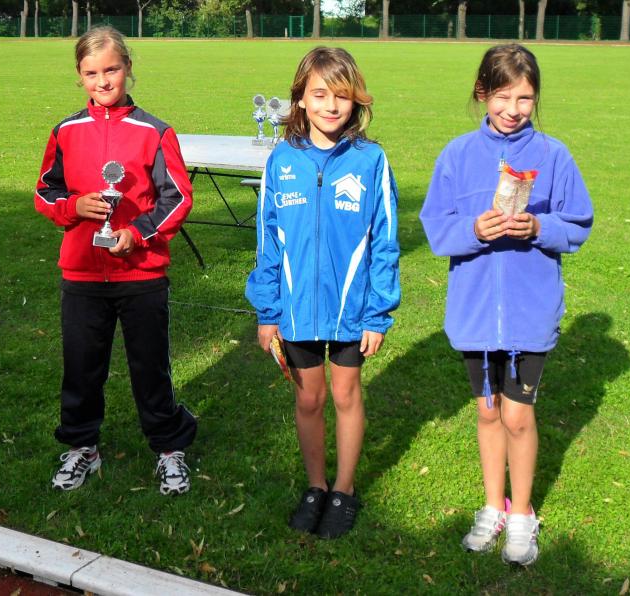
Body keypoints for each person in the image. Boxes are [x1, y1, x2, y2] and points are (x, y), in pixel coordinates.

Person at [419, 44, 593, 565]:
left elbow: (578, 223)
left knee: (517, 416)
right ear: (482, 94)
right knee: (488, 411)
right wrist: (474, 229)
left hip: (529, 315)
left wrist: (539, 226)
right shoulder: (456, 155)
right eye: (502, 97)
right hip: (474, 313)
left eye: (525, 98)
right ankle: (494, 506)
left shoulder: (554, 156)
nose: (514, 109)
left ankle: (523, 514)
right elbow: (436, 226)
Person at [34, 26, 197, 496]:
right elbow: (45, 191)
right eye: (91, 73)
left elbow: (177, 198)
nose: (102, 81)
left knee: (150, 367)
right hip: (83, 274)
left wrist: (137, 233)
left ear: (128, 68)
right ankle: (82, 446)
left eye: (111, 69)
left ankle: (169, 448)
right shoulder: (65, 131)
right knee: (81, 366)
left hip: (141, 274)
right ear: (79, 76)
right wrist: (73, 207)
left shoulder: (155, 132)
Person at [245, 47, 400, 539]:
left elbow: (386, 242)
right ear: (300, 99)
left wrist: (377, 314)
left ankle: (344, 490)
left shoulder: (371, 160)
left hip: (352, 309)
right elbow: (268, 241)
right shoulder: (282, 160)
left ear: (356, 101)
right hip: (296, 310)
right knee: (309, 400)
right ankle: (316, 486)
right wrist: (268, 311)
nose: (331, 105)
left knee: (346, 395)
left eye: (342, 95)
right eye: (319, 94)